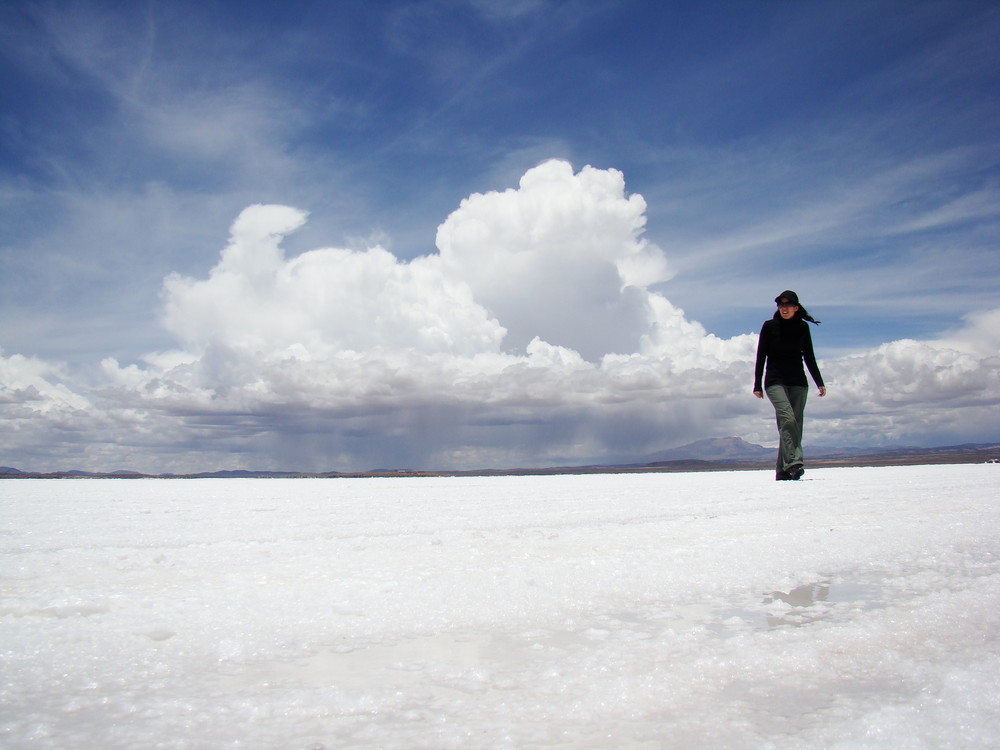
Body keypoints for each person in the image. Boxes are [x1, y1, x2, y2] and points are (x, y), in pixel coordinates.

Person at [753, 290, 826, 480]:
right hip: (775, 381)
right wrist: (757, 384)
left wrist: (819, 382)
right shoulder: (769, 326)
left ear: (796, 307)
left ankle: (783, 471)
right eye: (780, 305)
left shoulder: (802, 328)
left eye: (787, 304)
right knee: (788, 419)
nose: (783, 308)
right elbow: (761, 355)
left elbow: (809, 356)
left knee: (795, 425)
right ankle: (794, 462)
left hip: (798, 382)